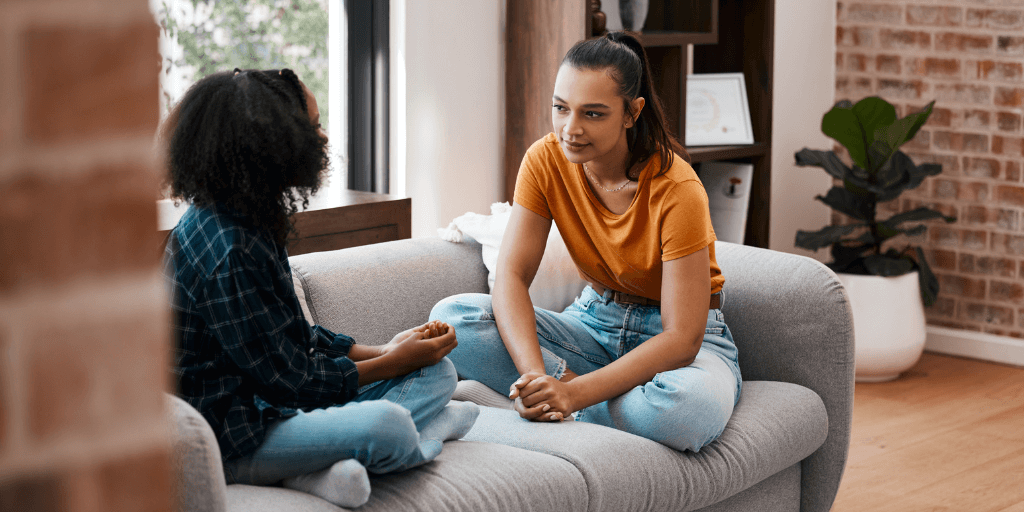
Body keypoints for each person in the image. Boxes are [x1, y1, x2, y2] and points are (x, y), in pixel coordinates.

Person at [162, 68, 478, 508]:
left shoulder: (251, 216)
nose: (325, 139)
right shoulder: (228, 248)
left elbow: (296, 336)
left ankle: (321, 466)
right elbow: (289, 380)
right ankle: (421, 436)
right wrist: (390, 365)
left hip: (274, 406)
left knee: (438, 372)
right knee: (387, 427)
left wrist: (386, 350)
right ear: (267, 145)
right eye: (312, 129)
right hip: (234, 437)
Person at [430, 32, 741, 453]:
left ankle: (576, 402)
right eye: (561, 108)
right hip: (595, 323)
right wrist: (536, 377)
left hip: (683, 341)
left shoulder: (678, 188)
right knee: (455, 319)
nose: (569, 129)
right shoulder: (544, 161)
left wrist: (575, 395)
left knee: (684, 410)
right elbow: (512, 276)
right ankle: (562, 396)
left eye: (593, 114)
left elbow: (682, 338)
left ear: (632, 113)